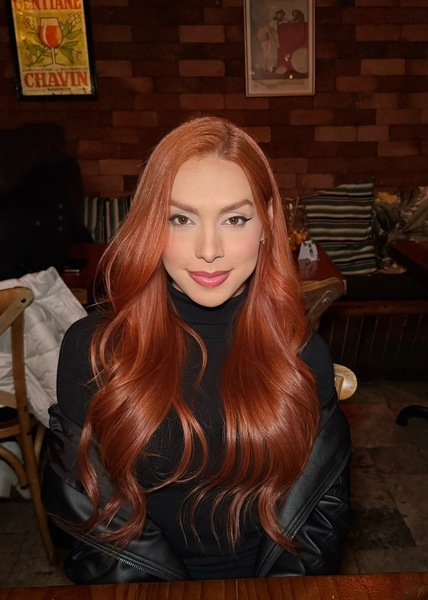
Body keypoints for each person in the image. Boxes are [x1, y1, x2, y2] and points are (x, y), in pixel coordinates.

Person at [42, 116, 352, 584]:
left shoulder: (301, 355)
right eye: (181, 219)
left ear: (267, 224)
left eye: (235, 219)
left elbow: (317, 521)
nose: (209, 249)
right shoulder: (94, 351)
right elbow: (90, 522)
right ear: (152, 224)